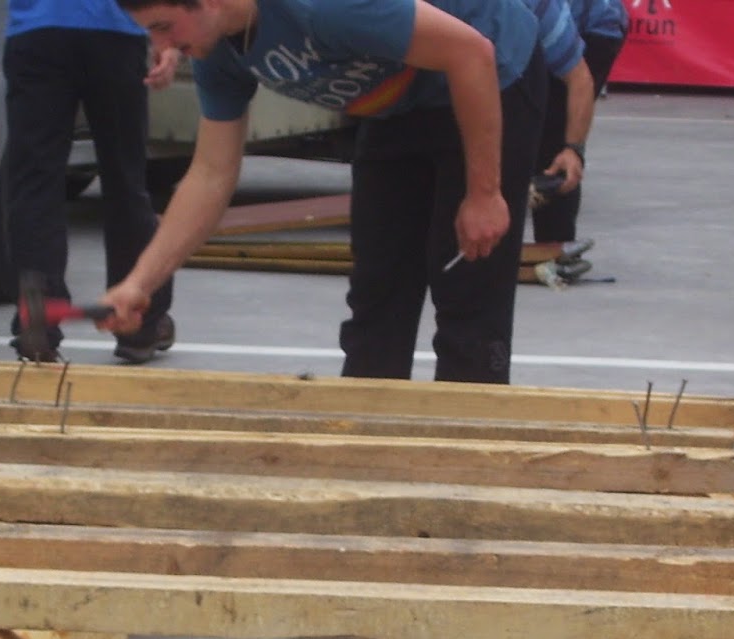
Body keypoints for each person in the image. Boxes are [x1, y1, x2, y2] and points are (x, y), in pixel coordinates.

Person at [96, 0, 547, 384]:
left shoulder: (322, 7)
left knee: (468, 297)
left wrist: (484, 194)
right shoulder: (217, 53)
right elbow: (211, 173)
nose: (160, 46)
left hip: (487, 75)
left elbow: (471, 52)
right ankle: (366, 443)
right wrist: (139, 283)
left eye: (163, 27)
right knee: (377, 295)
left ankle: (467, 447)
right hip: (397, 101)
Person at [3, 0, 182, 363]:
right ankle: (140, 323)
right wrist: (169, 38)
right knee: (125, 179)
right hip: (116, 27)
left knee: (35, 182)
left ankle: (38, 321)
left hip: (38, 28)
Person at [529, 0, 627, 266]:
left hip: (593, 29)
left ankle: (556, 243)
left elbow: (579, 80)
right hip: (558, 23)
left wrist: (573, 149)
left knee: (555, 138)